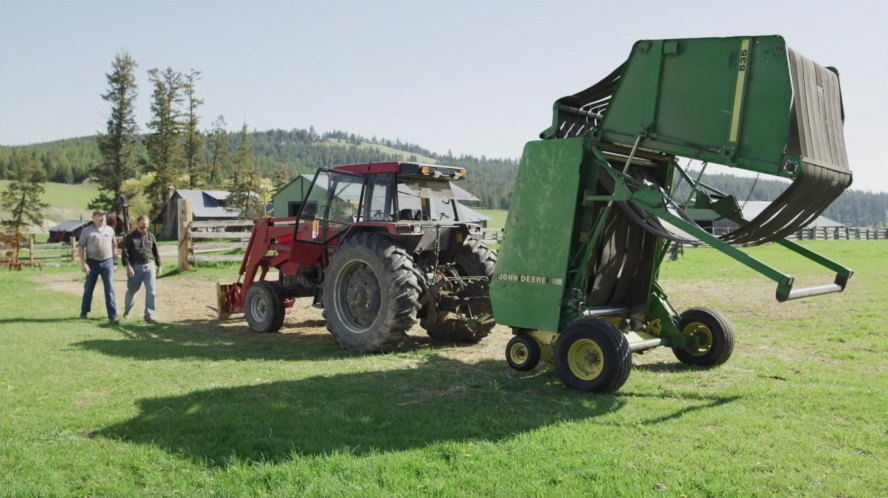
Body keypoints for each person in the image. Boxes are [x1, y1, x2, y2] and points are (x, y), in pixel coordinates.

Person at [79, 210, 120, 324]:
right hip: (91, 263)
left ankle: (113, 316)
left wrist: (115, 263)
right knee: (88, 289)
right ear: (94, 218)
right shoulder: (86, 231)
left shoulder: (110, 230)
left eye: (104, 216)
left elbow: (114, 246)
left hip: (107, 263)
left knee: (110, 289)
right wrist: (83, 263)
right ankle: (84, 311)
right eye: (100, 216)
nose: (102, 218)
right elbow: (81, 247)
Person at [121, 215, 161, 324]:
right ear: (137, 223)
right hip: (135, 267)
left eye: (146, 224)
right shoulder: (129, 237)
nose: (145, 226)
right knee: (132, 291)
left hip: (150, 266)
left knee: (151, 291)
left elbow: (156, 252)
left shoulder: (151, 237)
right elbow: (124, 253)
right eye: (143, 224)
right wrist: (128, 266)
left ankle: (149, 316)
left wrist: (159, 265)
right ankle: (128, 311)